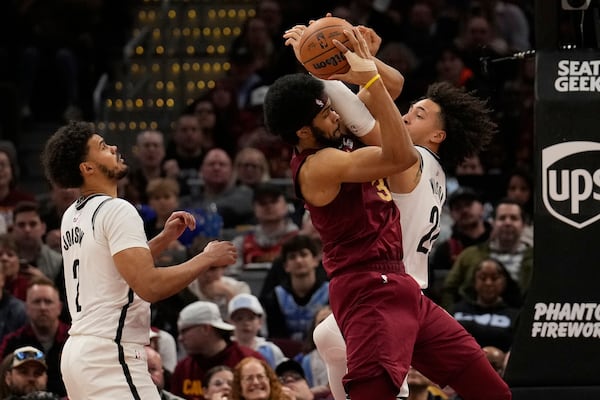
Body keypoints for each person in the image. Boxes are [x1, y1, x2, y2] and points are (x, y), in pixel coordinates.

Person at [274, 23, 510, 400]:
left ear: (437, 136)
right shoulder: (434, 171)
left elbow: (369, 99)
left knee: (330, 337)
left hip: (390, 288)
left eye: (418, 115)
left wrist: (320, 62)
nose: (404, 116)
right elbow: (391, 88)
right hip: (388, 288)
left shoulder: (409, 158)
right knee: (332, 340)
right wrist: (360, 64)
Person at [40, 120, 237, 400]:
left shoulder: (72, 214)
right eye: (103, 147)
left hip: (78, 355)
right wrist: (205, 258)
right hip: (111, 354)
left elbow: (114, 268)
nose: (114, 147)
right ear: (87, 168)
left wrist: (162, 239)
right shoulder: (117, 209)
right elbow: (149, 286)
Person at [442, 198, 532, 310]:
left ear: (523, 224)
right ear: (493, 222)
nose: (507, 223)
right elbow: (449, 289)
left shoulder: (537, 259)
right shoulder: (469, 254)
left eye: (513, 218)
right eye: (502, 218)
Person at [170, 301, 265, 400]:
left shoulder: (249, 360)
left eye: (184, 331)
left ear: (205, 329)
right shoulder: (183, 368)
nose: (180, 338)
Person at [0, 277, 69, 397]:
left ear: (59, 307)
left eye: (48, 302)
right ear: (26, 307)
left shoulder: (72, 341)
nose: (43, 308)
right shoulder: (12, 342)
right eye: (37, 301)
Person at [259, 235, 328, 341]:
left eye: (303, 254)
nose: (298, 260)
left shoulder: (330, 293)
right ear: (286, 266)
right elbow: (277, 338)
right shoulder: (275, 297)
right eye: (292, 257)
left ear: (315, 260)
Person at [449, 258, 522, 353]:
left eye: (494, 278)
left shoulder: (515, 315)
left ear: (504, 281)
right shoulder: (456, 311)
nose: (488, 283)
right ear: (474, 281)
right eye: (482, 278)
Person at [227, 293, 286, 369]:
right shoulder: (226, 349)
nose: (246, 323)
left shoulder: (271, 350)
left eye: (251, 318)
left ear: (260, 322)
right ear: (230, 322)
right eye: (239, 318)